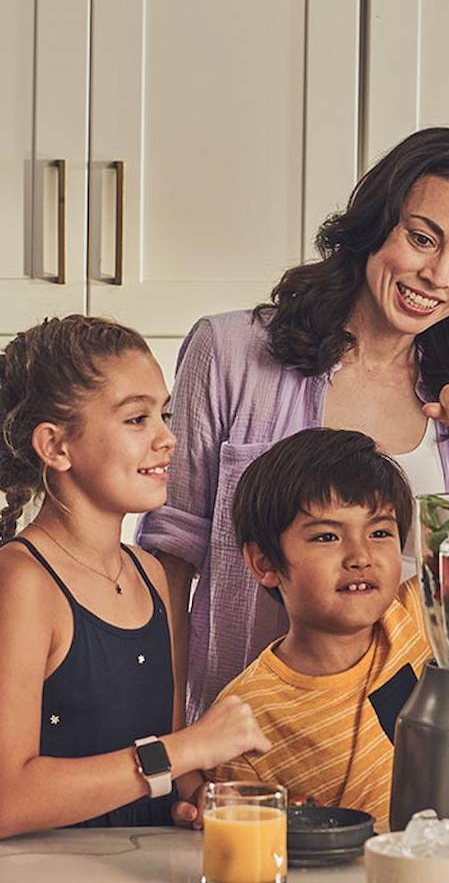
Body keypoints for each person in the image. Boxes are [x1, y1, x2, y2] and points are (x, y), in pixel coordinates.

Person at [137, 127, 449, 722]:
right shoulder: (231, 351)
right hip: (245, 730)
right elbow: (170, 558)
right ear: (374, 225)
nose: (438, 276)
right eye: (422, 239)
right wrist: (171, 731)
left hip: (413, 734)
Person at [0, 316, 270, 838]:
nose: (167, 438)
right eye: (136, 420)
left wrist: (201, 797)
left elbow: (165, 762)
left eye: (164, 415)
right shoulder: (22, 582)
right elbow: (5, 797)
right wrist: (185, 748)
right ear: (56, 447)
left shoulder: (151, 574)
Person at [206, 428, 429, 820]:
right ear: (265, 564)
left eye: (380, 532)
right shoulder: (244, 718)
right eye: (327, 537)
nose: (360, 556)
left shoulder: (424, 617)